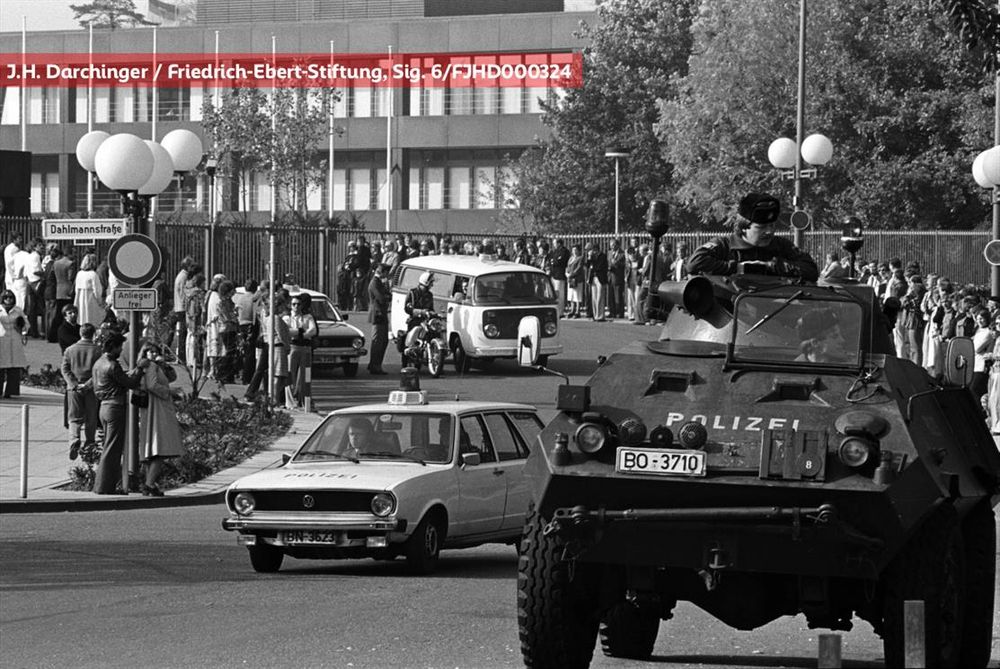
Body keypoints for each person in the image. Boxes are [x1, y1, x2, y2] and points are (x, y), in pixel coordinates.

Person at [686, 193, 819, 281]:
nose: (769, 232)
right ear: (743, 227)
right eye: (761, 227)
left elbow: (811, 270)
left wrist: (772, 266)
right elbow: (695, 263)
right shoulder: (724, 245)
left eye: (772, 226)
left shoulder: (781, 245)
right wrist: (738, 268)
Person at [91, 333, 149, 495]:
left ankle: (104, 485)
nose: (121, 350)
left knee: (108, 446)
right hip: (115, 408)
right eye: (120, 347)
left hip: (103, 407)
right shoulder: (112, 365)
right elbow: (130, 383)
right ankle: (104, 487)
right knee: (112, 449)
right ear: (113, 346)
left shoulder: (99, 363)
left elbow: (120, 379)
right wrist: (139, 369)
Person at [137, 343, 183, 496]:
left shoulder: (156, 366)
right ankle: (149, 484)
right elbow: (152, 385)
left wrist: (164, 364)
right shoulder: (150, 366)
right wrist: (169, 392)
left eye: (156, 351)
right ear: (145, 353)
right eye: (150, 351)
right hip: (156, 408)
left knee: (156, 447)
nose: (154, 354)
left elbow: (172, 377)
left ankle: (150, 482)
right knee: (159, 447)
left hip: (158, 408)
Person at [60, 323, 101, 461]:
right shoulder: (98, 350)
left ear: (80, 333)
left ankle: (74, 439)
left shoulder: (70, 350)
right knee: (91, 416)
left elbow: (65, 369)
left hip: (74, 389)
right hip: (91, 388)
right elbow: (99, 371)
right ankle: (90, 442)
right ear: (93, 334)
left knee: (74, 417)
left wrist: (73, 383)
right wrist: (88, 384)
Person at [284, 292, 318, 406]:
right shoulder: (287, 317)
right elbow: (286, 332)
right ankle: (290, 400)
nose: (296, 307)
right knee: (290, 373)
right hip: (293, 347)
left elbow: (313, 331)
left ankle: (303, 399)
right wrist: (300, 331)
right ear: (290, 305)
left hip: (305, 347)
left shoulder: (308, 317)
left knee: (303, 375)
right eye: (294, 304)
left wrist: (301, 335)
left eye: (298, 304)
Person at [0, 289, 28, 398]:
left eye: (11, 298)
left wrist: (23, 329)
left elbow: (26, 324)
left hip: (15, 340)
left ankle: (11, 391)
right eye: (6, 298)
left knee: (14, 367)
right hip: (2, 340)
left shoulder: (18, 310)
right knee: (1, 366)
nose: (8, 300)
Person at [48, 245, 76, 343]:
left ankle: (52, 335)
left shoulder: (56, 263)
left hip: (59, 289)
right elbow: (70, 277)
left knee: (58, 314)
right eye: (74, 252)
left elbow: (52, 277)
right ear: (69, 253)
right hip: (68, 289)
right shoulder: (70, 263)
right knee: (68, 313)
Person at [367, 263, 390, 375]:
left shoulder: (379, 282)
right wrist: (386, 296)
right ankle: (374, 365)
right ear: (382, 272)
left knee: (383, 341)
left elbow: (387, 296)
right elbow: (381, 298)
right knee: (377, 341)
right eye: (386, 272)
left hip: (382, 313)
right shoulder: (375, 283)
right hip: (377, 314)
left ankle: (377, 364)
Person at [74, 253, 106, 328]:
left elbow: (76, 288)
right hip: (90, 299)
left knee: (82, 317)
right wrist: (100, 302)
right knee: (92, 319)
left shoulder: (79, 273)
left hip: (80, 298)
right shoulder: (93, 274)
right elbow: (97, 290)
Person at [971, 308, 994, 400]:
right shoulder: (979, 330)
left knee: (975, 389)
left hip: (982, 365)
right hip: (975, 364)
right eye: (977, 318)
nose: (979, 321)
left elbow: (976, 348)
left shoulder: (988, 332)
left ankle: (980, 411)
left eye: (981, 318)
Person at [548, 238, 569, 318]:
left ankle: (561, 311)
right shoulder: (554, 251)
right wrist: (554, 261)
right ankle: (556, 310)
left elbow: (560, 261)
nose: (554, 245)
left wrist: (554, 261)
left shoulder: (564, 251)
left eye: (555, 243)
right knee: (555, 294)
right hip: (554, 274)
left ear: (559, 243)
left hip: (560, 275)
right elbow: (551, 260)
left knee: (560, 294)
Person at [606, 239, 626, 319]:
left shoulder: (622, 253)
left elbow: (624, 264)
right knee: (611, 295)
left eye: (613, 244)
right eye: (611, 244)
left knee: (618, 296)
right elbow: (608, 262)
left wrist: (616, 263)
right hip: (610, 276)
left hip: (618, 277)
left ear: (618, 245)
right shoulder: (609, 253)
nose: (612, 246)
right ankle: (612, 312)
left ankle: (619, 312)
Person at [565, 244, 584, 318]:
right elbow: (567, 266)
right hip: (570, 279)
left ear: (579, 250)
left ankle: (577, 311)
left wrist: (572, 274)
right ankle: (572, 310)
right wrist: (566, 273)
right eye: (573, 250)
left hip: (577, 279)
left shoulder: (580, 258)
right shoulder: (571, 258)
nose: (574, 251)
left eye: (576, 250)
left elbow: (579, 268)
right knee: (571, 295)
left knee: (577, 295)